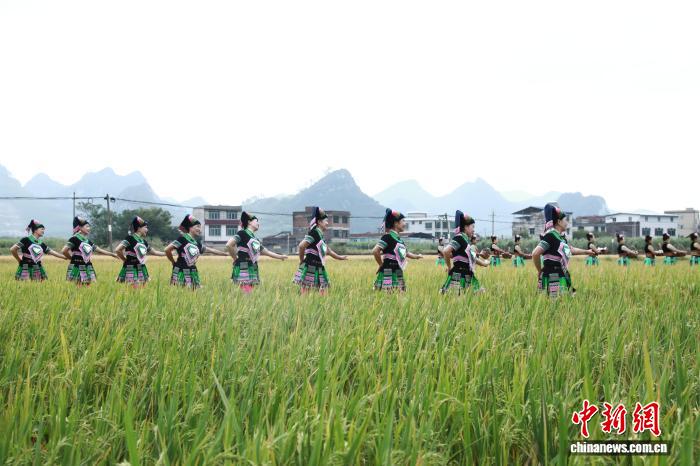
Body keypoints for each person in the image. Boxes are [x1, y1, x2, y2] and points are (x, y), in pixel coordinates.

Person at [531, 203, 597, 297]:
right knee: (554, 302)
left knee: (563, 302)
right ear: (559, 221)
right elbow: (535, 254)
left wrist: (587, 252)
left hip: (561, 273)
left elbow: (570, 250)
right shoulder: (550, 236)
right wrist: (539, 270)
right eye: (565, 220)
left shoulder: (561, 238)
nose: (567, 223)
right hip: (552, 275)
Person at [226, 211, 287, 292]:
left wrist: (280, 256)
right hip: (243, 266)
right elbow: (229, 245)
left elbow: (266, 252)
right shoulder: (242, 233)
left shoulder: (255, 239)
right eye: (256, 221)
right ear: (249, 222)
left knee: (248, 292)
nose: (258, 224)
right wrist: (235, 259)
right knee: (247, 293)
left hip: (252, 266)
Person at [292, 206, 348, 293]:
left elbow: (328, 251)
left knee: (321, 292)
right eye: (326, 221)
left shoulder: (320, 235)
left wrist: (340, 257)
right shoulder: (314, 233)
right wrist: (301, 260)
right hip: (310, 266)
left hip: (318, 266)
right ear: (319, 222)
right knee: (307, 292)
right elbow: (301, 246)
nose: (327, 223)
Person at [164, 214, 227, 289]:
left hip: (193, 272)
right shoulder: (182, 238)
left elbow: (211, 250)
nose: (200, 229)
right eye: (197, 226)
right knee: (180, 291)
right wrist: (173, 261)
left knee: (195, 292)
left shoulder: (197, 243)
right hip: (181, 271)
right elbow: (167, 250)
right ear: (190, 227)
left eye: (200, 227)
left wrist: (225, 253)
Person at [372, 209, 423, 291]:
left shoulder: (399, 240)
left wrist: (416, 256)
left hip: (398, 270)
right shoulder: (387, 237)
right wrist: (381, 265)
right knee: (388, 294)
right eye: (403, 221)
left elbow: (406, 253)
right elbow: (375, 251)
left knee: (399, 294)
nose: (405, 224)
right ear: (396, 223)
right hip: (388, 270)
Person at [441, 210, 489, 294]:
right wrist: (449, 267)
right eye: (472, 227)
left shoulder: (465, 241)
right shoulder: (459, 238)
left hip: (466, 274)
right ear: (466, 227)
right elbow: (445, 251)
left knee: (474, 296)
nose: (473, 230)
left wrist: (484, 264)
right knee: (460, 298)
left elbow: (472, 257)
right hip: (459, 275)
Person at [62, 216, 119, 284]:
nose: (89, 228)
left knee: (89, 286)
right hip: (77, 266)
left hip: (87, 266)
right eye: (87, 226)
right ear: (80, 227)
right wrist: (71, 259)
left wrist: (112, 254)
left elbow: (99, 250)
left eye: (89, 227)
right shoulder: (74, 238)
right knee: (75, 285)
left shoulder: (87, 241)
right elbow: (64, 251)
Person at [114, 216, 166, 285]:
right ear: (139, 228)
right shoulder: (130, 238)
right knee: (133, 288)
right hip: (131, 267)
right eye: (146, 227)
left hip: (141, 268)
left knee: (141, 289)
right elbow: (117, 250)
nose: (147, 230)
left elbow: (154, 252)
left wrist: (167, 253)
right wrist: (125, 260)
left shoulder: (143, 242)